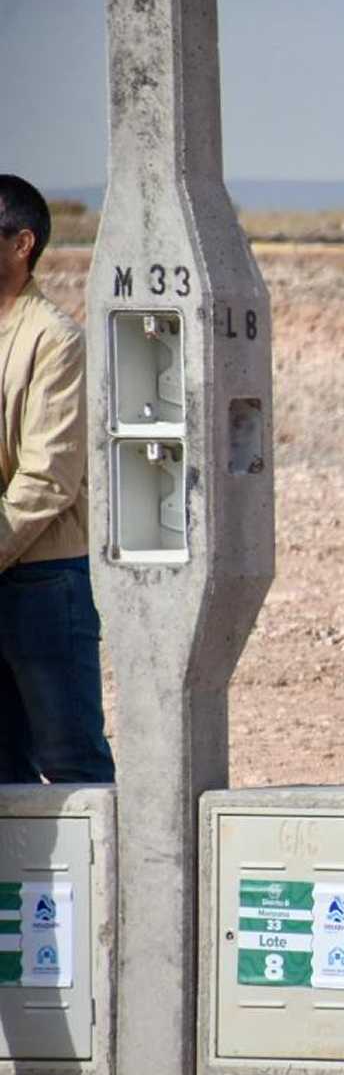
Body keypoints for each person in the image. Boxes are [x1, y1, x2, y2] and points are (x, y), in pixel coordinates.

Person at [0, 175, 115, 785]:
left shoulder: (55, 340)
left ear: (22, 245)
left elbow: (48, 475)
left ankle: (114, 885)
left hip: (43, 580)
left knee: (72, 764)